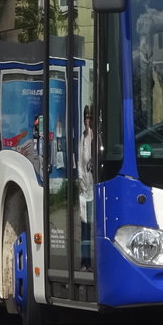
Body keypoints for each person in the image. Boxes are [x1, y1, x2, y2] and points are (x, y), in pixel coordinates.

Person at [78, 105, 94, 269]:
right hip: (84, 188)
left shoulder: (94, 136)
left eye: (89, 117)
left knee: (93, 226)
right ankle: (84, 260)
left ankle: (93, 261)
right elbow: (80, 163)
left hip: (94, 187)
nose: (87, 120)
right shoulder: (83, 137)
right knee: (84, 227)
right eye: (85, 118)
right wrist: (81, 180)